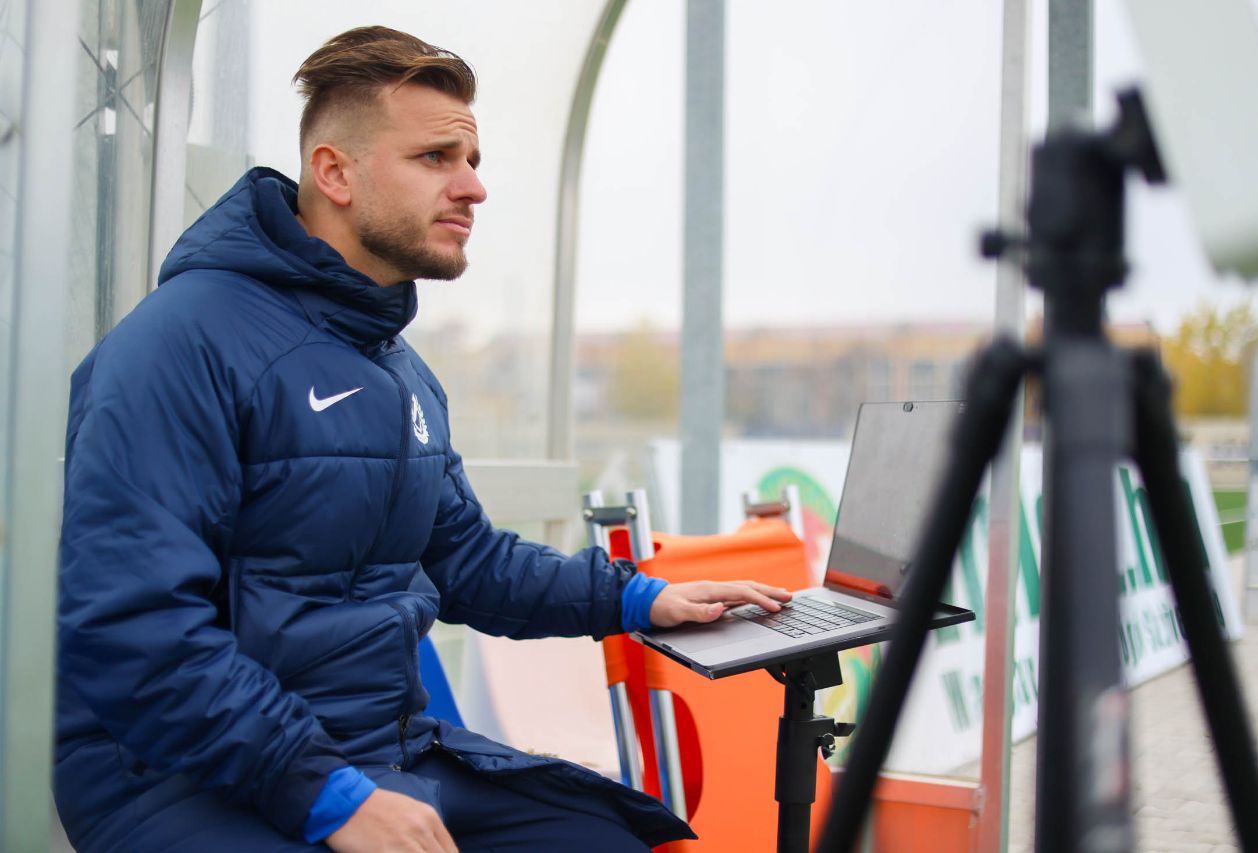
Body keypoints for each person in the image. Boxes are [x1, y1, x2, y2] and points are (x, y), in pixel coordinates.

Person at [54, 25, 792, 853]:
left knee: (618, 841)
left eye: (471, 159)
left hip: (375, 750)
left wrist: (637, 598)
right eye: (437, 157)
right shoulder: (179, 346)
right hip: (185, 775)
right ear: (335, 172)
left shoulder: (398, 369)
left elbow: (465, 561)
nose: (473, 187)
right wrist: (327, 795)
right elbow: (135, 628)